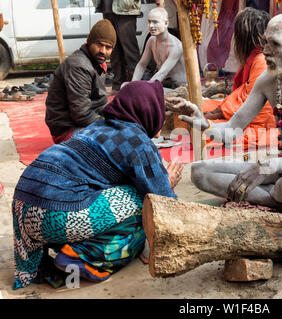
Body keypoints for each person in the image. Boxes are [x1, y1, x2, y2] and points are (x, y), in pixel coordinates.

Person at [12, 81, 183, 290]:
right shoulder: (138, 141)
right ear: (149, 110)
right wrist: (168, 183)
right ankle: (82, 257)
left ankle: (59, 250)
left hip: (23, 209)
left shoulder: (95, 126)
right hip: (55, 216)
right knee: (142, 199)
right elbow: (163, 201)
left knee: (110, 195)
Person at [166, 13, 282, 212]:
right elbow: (233, 129)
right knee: (199, 171)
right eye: (265, 42)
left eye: (275, 44)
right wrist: (204, 124)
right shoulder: (267, 81)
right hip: (280, 168)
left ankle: (274, 198)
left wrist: (268, 166)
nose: (265, 51)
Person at [203, 7, 276, 150]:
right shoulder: (255, 56)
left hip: (260, 122)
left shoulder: (262, 60)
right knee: (198, 106)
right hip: (240, 112)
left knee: (204, 133)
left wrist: (217, 112)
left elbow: (258, 106)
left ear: (245, 38)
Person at [45, 19, 116, 144]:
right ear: (89, 42)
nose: (103, 51)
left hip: (82, 124)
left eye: (108, 47)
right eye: (99, 44)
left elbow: (98, 104)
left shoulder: (96, 63)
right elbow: (82, 115)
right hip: (68, 131)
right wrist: (110, 126)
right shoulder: (79, 65)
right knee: (121, 140)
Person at [127, 7, 187, 89]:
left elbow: (162, 73)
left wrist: (146, 88)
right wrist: (132, 85)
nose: (151, 26)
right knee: (125, 86)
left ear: (166, 23)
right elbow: (141, 65)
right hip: (162, 83)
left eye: (155, 22)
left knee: (143, 92)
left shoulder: (175, 47)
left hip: (179, 88)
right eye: (149, 22)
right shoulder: (152, 40)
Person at [93, 0, 142, 93]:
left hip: (126, 8)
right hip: (106, 8)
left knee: (129, 51)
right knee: (113, 51)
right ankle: (117, 86)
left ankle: (136, 86)